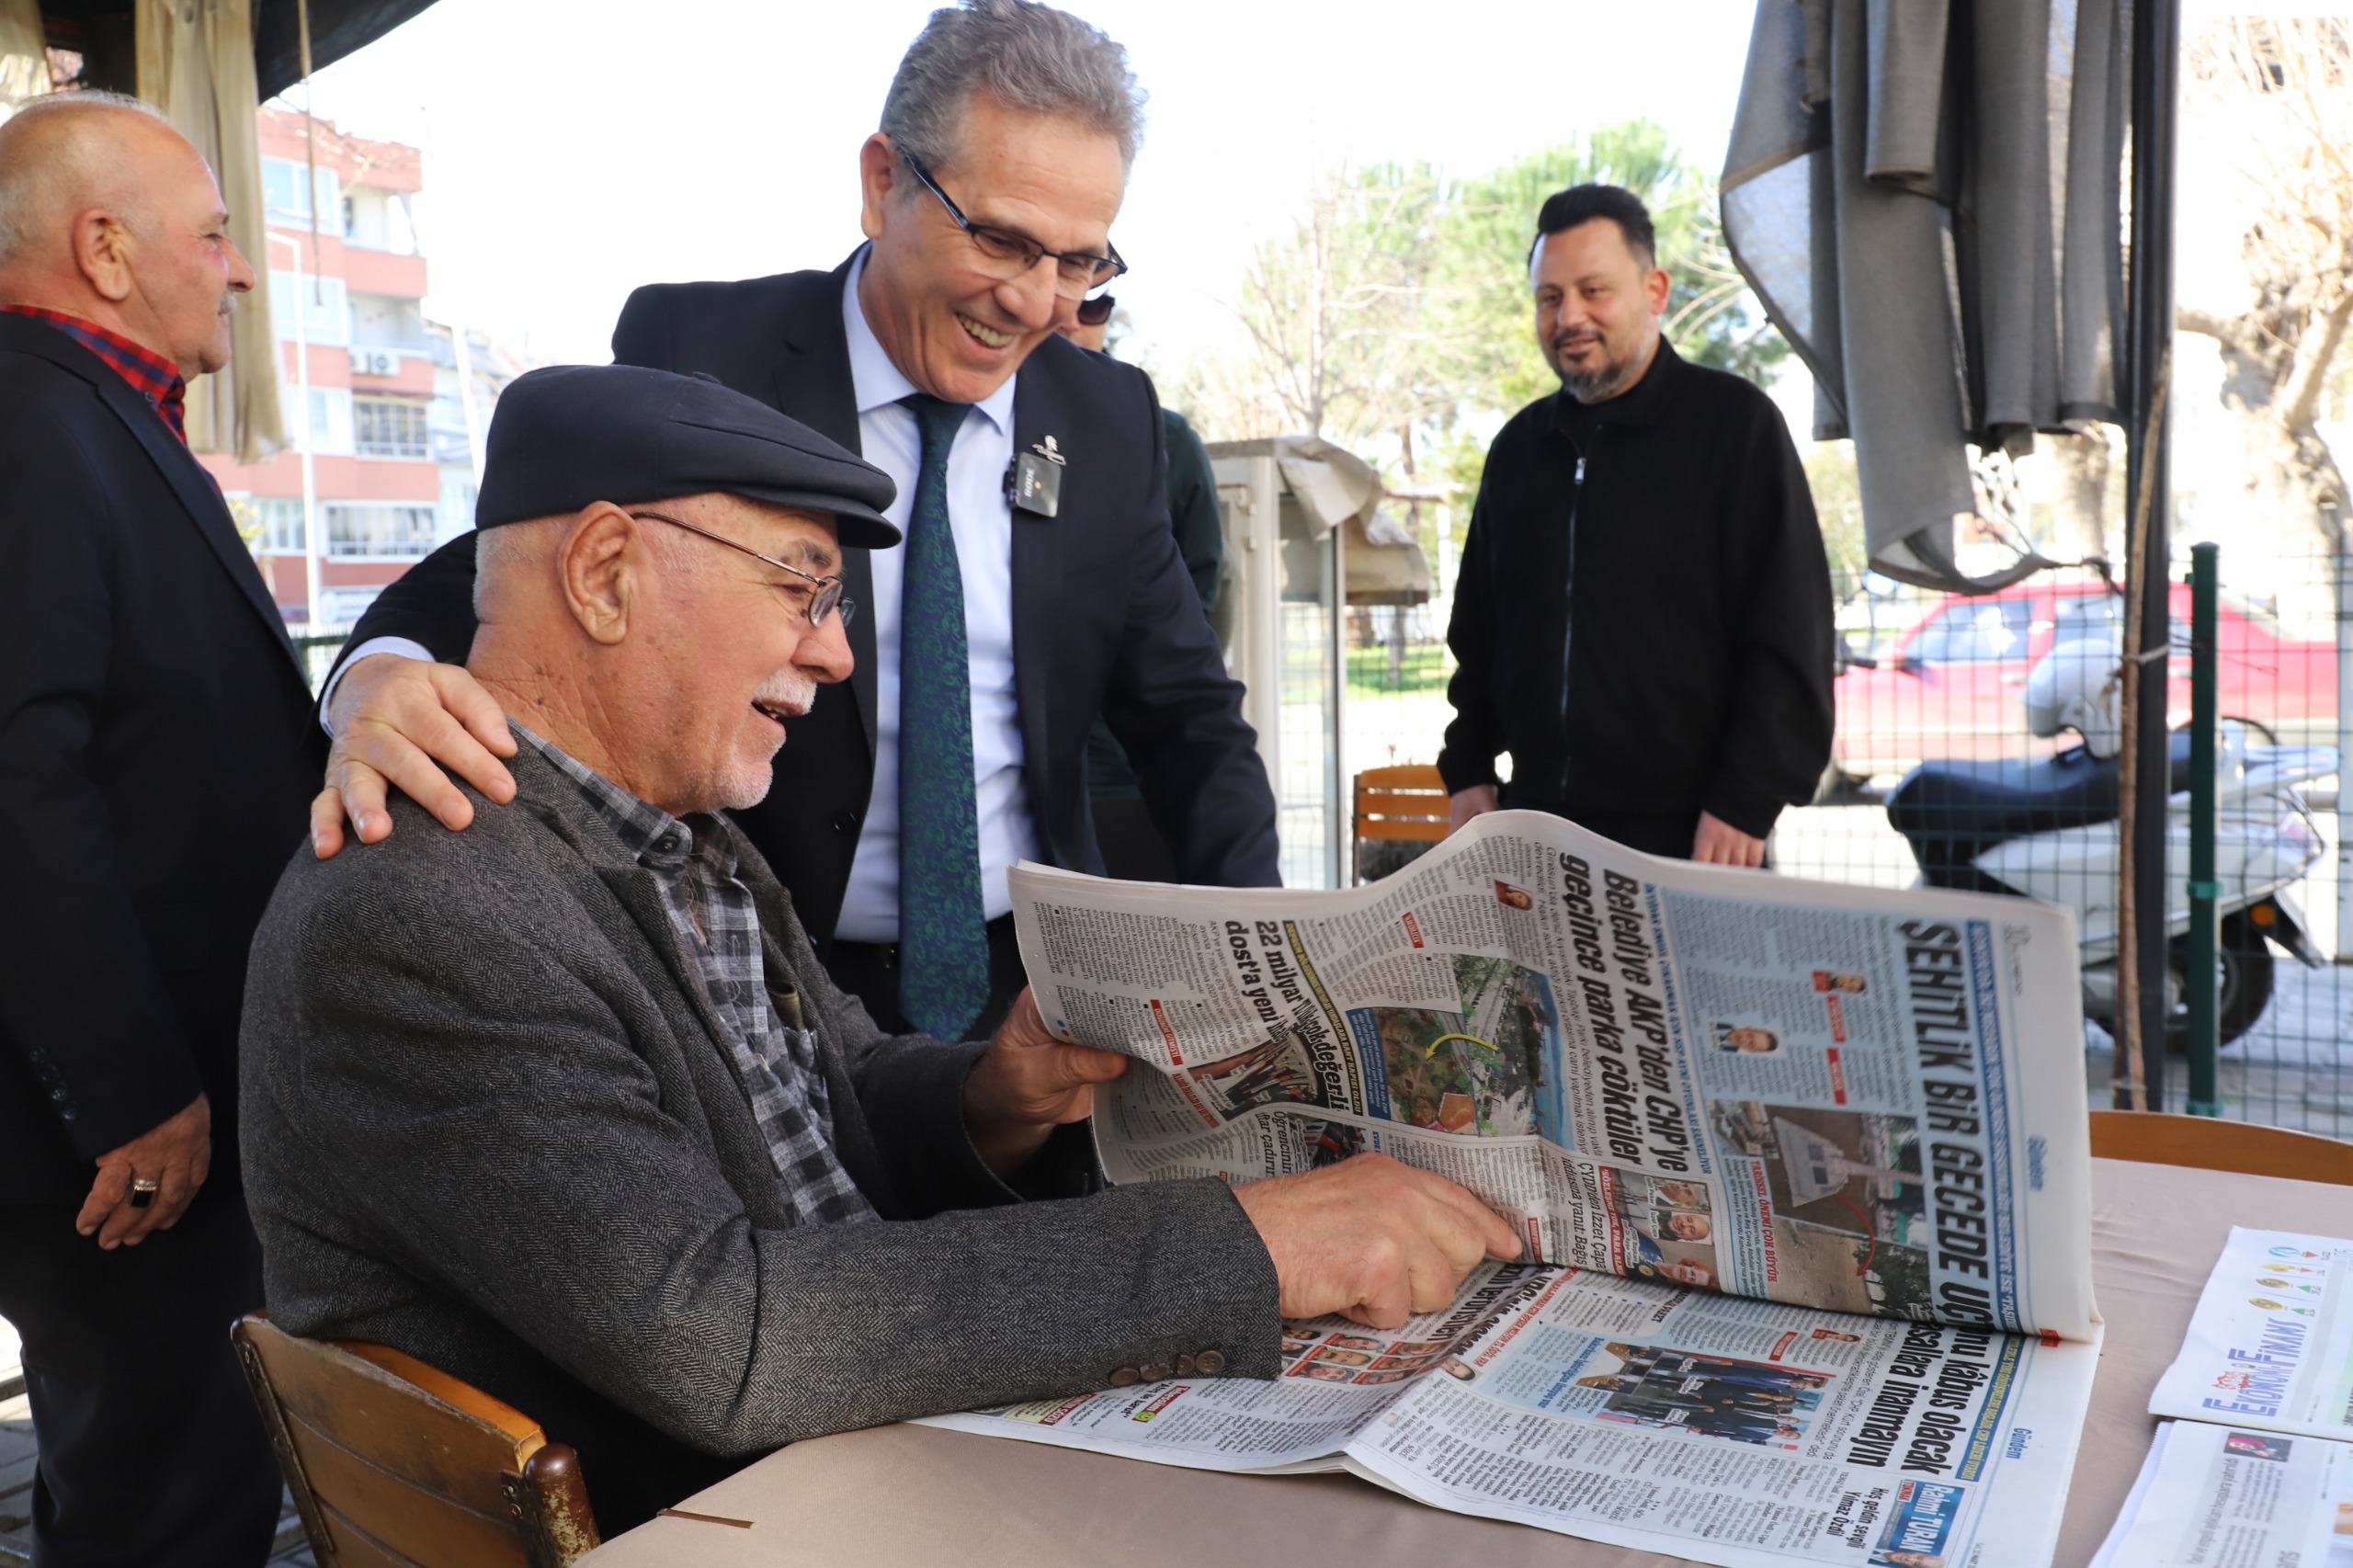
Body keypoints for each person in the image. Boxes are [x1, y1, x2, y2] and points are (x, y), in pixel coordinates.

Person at [239, 363, 1521, 1530]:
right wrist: (1257, 1242)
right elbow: (725, 1331)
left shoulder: (675, 839)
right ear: (607, 572)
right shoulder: (425, 915)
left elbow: (836, 1100)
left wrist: (992, 1094)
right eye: (803, 586)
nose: (839, 652)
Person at [311, 0, 1277, 1044]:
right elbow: (511, 567)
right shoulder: (704, 347)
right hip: (759, 978)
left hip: (1034, 997)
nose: (1039, 302)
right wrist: (377, 680)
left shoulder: (1109, 418)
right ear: (882, 183)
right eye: (1002, 239)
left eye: (1081, 261)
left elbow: (1190, 723)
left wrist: (1268, 975)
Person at [0, 94, 324, 1567]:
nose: (237, 268)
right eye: (214, 234)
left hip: (147, 1116)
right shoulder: (31, 418)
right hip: (119, 1138)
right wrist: (135, 1092)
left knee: (138, 1488)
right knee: (164, 1511)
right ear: (107, 248)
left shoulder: (90, 410)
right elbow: (17, 779)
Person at [1438, 183, 1834, 865]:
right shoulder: (1516, 452)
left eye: (1594, 291)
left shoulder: (1735, 428)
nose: (1569, 317)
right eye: (1550, 297)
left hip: (1694, 835)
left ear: (1655, 291)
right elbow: (1481, 633)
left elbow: (1789, 636)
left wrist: (1745, 800)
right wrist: (1468, 765)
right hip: (1535, 830)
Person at [1054, 290, 1228, 881]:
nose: (1068, 311)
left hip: (1123, 772)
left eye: (1092, 300)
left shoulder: (1162, 440)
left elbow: (1202, 591)